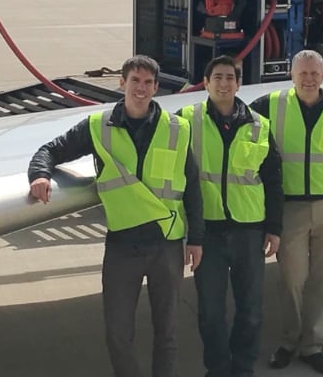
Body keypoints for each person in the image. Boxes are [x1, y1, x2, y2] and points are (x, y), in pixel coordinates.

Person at [27, 55, 203, 377]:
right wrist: (40, 175)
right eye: (135, 80)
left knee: (167, 333)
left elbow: (192, 185)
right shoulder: (98, 126)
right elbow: (50, 150)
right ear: (122, 83)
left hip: (167, 244)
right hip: (123, 245)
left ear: (156, 88)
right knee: (118, 334)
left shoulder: (178, 129)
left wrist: (197, 239)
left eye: (148, 83)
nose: (141, 88)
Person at [250, 49, 323, 376]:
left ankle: (312, 345)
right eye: (303, 74)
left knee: (322, 280)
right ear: (291, 75)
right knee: (292, 279)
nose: (309, 79)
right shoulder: (269, 106)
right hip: (290, 207)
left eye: (315, 74)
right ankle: (289, 341)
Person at [177, 55, 283, 377]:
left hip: (248, 230)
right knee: (210, 311)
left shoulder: (259, 125)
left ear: (239, 84)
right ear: (206, 83)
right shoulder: (185, 120)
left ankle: (243, 366)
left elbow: (274, 180)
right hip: (206, 231)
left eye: (230, 78)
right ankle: (219, 368)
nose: (224, 84)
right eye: (217, 78)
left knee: (250, 309)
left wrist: (274, 228)